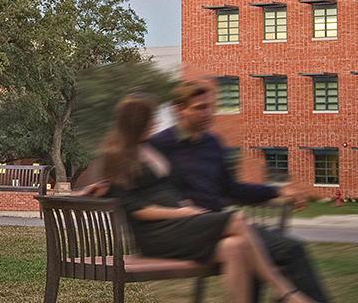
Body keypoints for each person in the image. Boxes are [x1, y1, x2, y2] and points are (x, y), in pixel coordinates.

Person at [99, 93, 316, 303]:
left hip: (179, 224)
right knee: (236, 220)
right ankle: (283, 292)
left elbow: (158, 187)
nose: (155, 121)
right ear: (137, 121)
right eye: (151, 117)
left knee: (235, 246)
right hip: (157, 234)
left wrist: (183, 207)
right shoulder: (118, 154)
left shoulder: (148, 147)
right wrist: (179, 212)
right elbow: (134, 207)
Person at [149, 80, 330, 303]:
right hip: (188, 232)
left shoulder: (212, 143)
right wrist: (104, 185)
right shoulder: (159, 145)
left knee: (290, 248)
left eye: (209, 106)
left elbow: (231, 189)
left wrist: (277, 191)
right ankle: (286, 294)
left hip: (223, 226)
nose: (207, 113)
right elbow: (131, 178)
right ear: (179, 109)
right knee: (260, 248)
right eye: (199, 108)